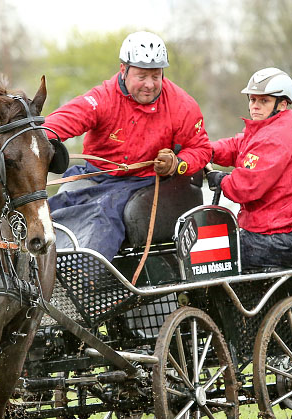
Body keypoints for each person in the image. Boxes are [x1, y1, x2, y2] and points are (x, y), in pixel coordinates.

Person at [44, 31, 214, 260]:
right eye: (142, 76)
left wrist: (178, 163)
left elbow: (201, 149)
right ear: (123, 70)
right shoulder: (103, 98)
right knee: (50, 208)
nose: (150, 85)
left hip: (144, 182)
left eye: (156, 76)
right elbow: (66, 119)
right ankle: (42, 266)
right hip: (97, 176)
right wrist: (36, 137)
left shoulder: (182, 105)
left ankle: (85, 272)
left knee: (102, 212)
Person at [205, 68, 292, 271]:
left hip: (279, 238)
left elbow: (245, 187)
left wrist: (222, 180)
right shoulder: (272, 127)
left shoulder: (275, 136)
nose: (255, 106)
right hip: (283, 234)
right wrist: (205, 150)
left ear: (282, 104)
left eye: (264, 101)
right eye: (252, 99)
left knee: (209, 255)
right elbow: (239, 146)